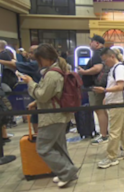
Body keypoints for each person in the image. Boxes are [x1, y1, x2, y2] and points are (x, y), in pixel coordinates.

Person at [20, 44, 78, 188]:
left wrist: (30, 83)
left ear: (44, 58)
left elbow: (43, 95)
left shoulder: (52, 74)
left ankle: (67, 171)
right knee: (58, 146)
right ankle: (68, 171)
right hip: (59, 114)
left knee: (43, 148)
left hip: (52, 116)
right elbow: (50, 94)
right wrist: (36, 101)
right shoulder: (60, 69)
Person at [92, 48, 124, 169]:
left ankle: (111, 157)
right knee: (122, 129)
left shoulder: (119, 68)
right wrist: (107, 95)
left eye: (105, 60)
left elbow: (120, 86)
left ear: (111, 56)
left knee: (114, 130)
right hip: (116, 101)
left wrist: (104, 91)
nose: (105, 63)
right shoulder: (116, 68)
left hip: (118, 102)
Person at [0, 45, 41, 133]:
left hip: (38, 94)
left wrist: (1, 61)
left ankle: (38, 139)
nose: (28, 54)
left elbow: (15, 65)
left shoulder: (35, 64)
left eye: (31, 52)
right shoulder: (38, 64)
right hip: (38, 94)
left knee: (36, 118)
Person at [78, 35, 109, 145]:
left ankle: (103, 134)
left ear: (97, 43)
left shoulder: (97, 54)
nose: (90, 44)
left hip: (96, 86)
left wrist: (83, 72)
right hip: (100, 86)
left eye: (91, 42)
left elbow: (98, 68)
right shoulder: (103, 53)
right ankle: (104, 132)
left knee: (99, 110)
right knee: (101, 110)